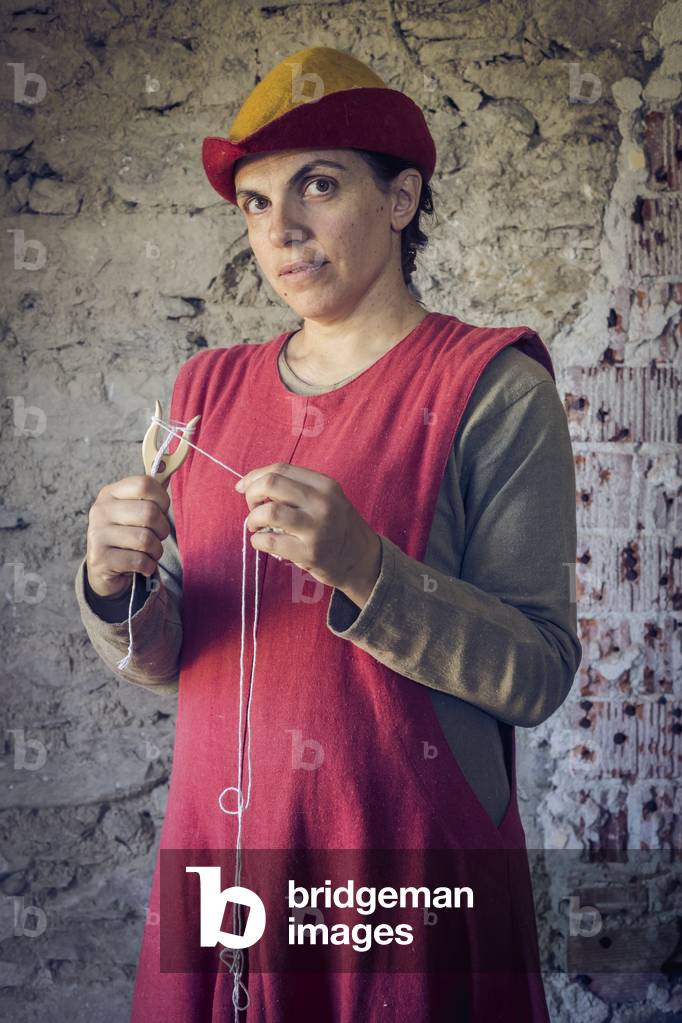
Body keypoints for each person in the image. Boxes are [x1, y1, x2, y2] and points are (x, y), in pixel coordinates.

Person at [75, 46, 581, 1022]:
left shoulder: (491, 388)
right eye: (257, 203)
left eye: (317, 185)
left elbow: (540, 671)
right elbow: (168, 657)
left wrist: (368, 572)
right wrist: (114, 587)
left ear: (400, 199)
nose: (283, 230)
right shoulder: (202, 393)